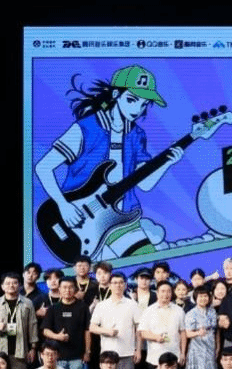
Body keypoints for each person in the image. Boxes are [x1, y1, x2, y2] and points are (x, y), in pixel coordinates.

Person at [34, 66, 184, 258]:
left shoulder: (136, 135)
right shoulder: (86, 128)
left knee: (145, 265)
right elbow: (43, 167)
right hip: (79, 219)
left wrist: (167, 163)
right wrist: (63, 206)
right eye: (132, 100)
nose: (137, 110)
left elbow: (144, 184)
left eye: (144, 104)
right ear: (115, 95)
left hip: (123, 217)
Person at [42, 277, 91, 369]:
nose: (67, 290)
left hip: (77, 356)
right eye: (64, 287)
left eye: (70, 287)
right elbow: (45, 330)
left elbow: (87, 331)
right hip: (57, 357)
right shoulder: (53, 308)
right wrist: (57, 337)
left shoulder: (82, 307)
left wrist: (87, 351)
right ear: (59, 289)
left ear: (75, 289)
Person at [89, 271, 142, 369]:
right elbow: (92, 327)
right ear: (109, 285)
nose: (118, 285)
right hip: (107, 354)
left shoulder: (132, 304)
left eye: (121, 282)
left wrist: (138, 350)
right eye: (114, 283)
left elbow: (139, 329)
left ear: (125, 285)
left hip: (127, 353)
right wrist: (106, 331)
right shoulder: (101, 305)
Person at [138, 281, 187, 369]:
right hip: (154, 358)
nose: (166, 294)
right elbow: (143, 333)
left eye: (168, 291)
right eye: (163, 291)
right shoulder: (149, 311)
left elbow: (183, 332)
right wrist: (156, 337)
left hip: (174, 356)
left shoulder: (179, 310)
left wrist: (183, 353)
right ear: (157, 293)